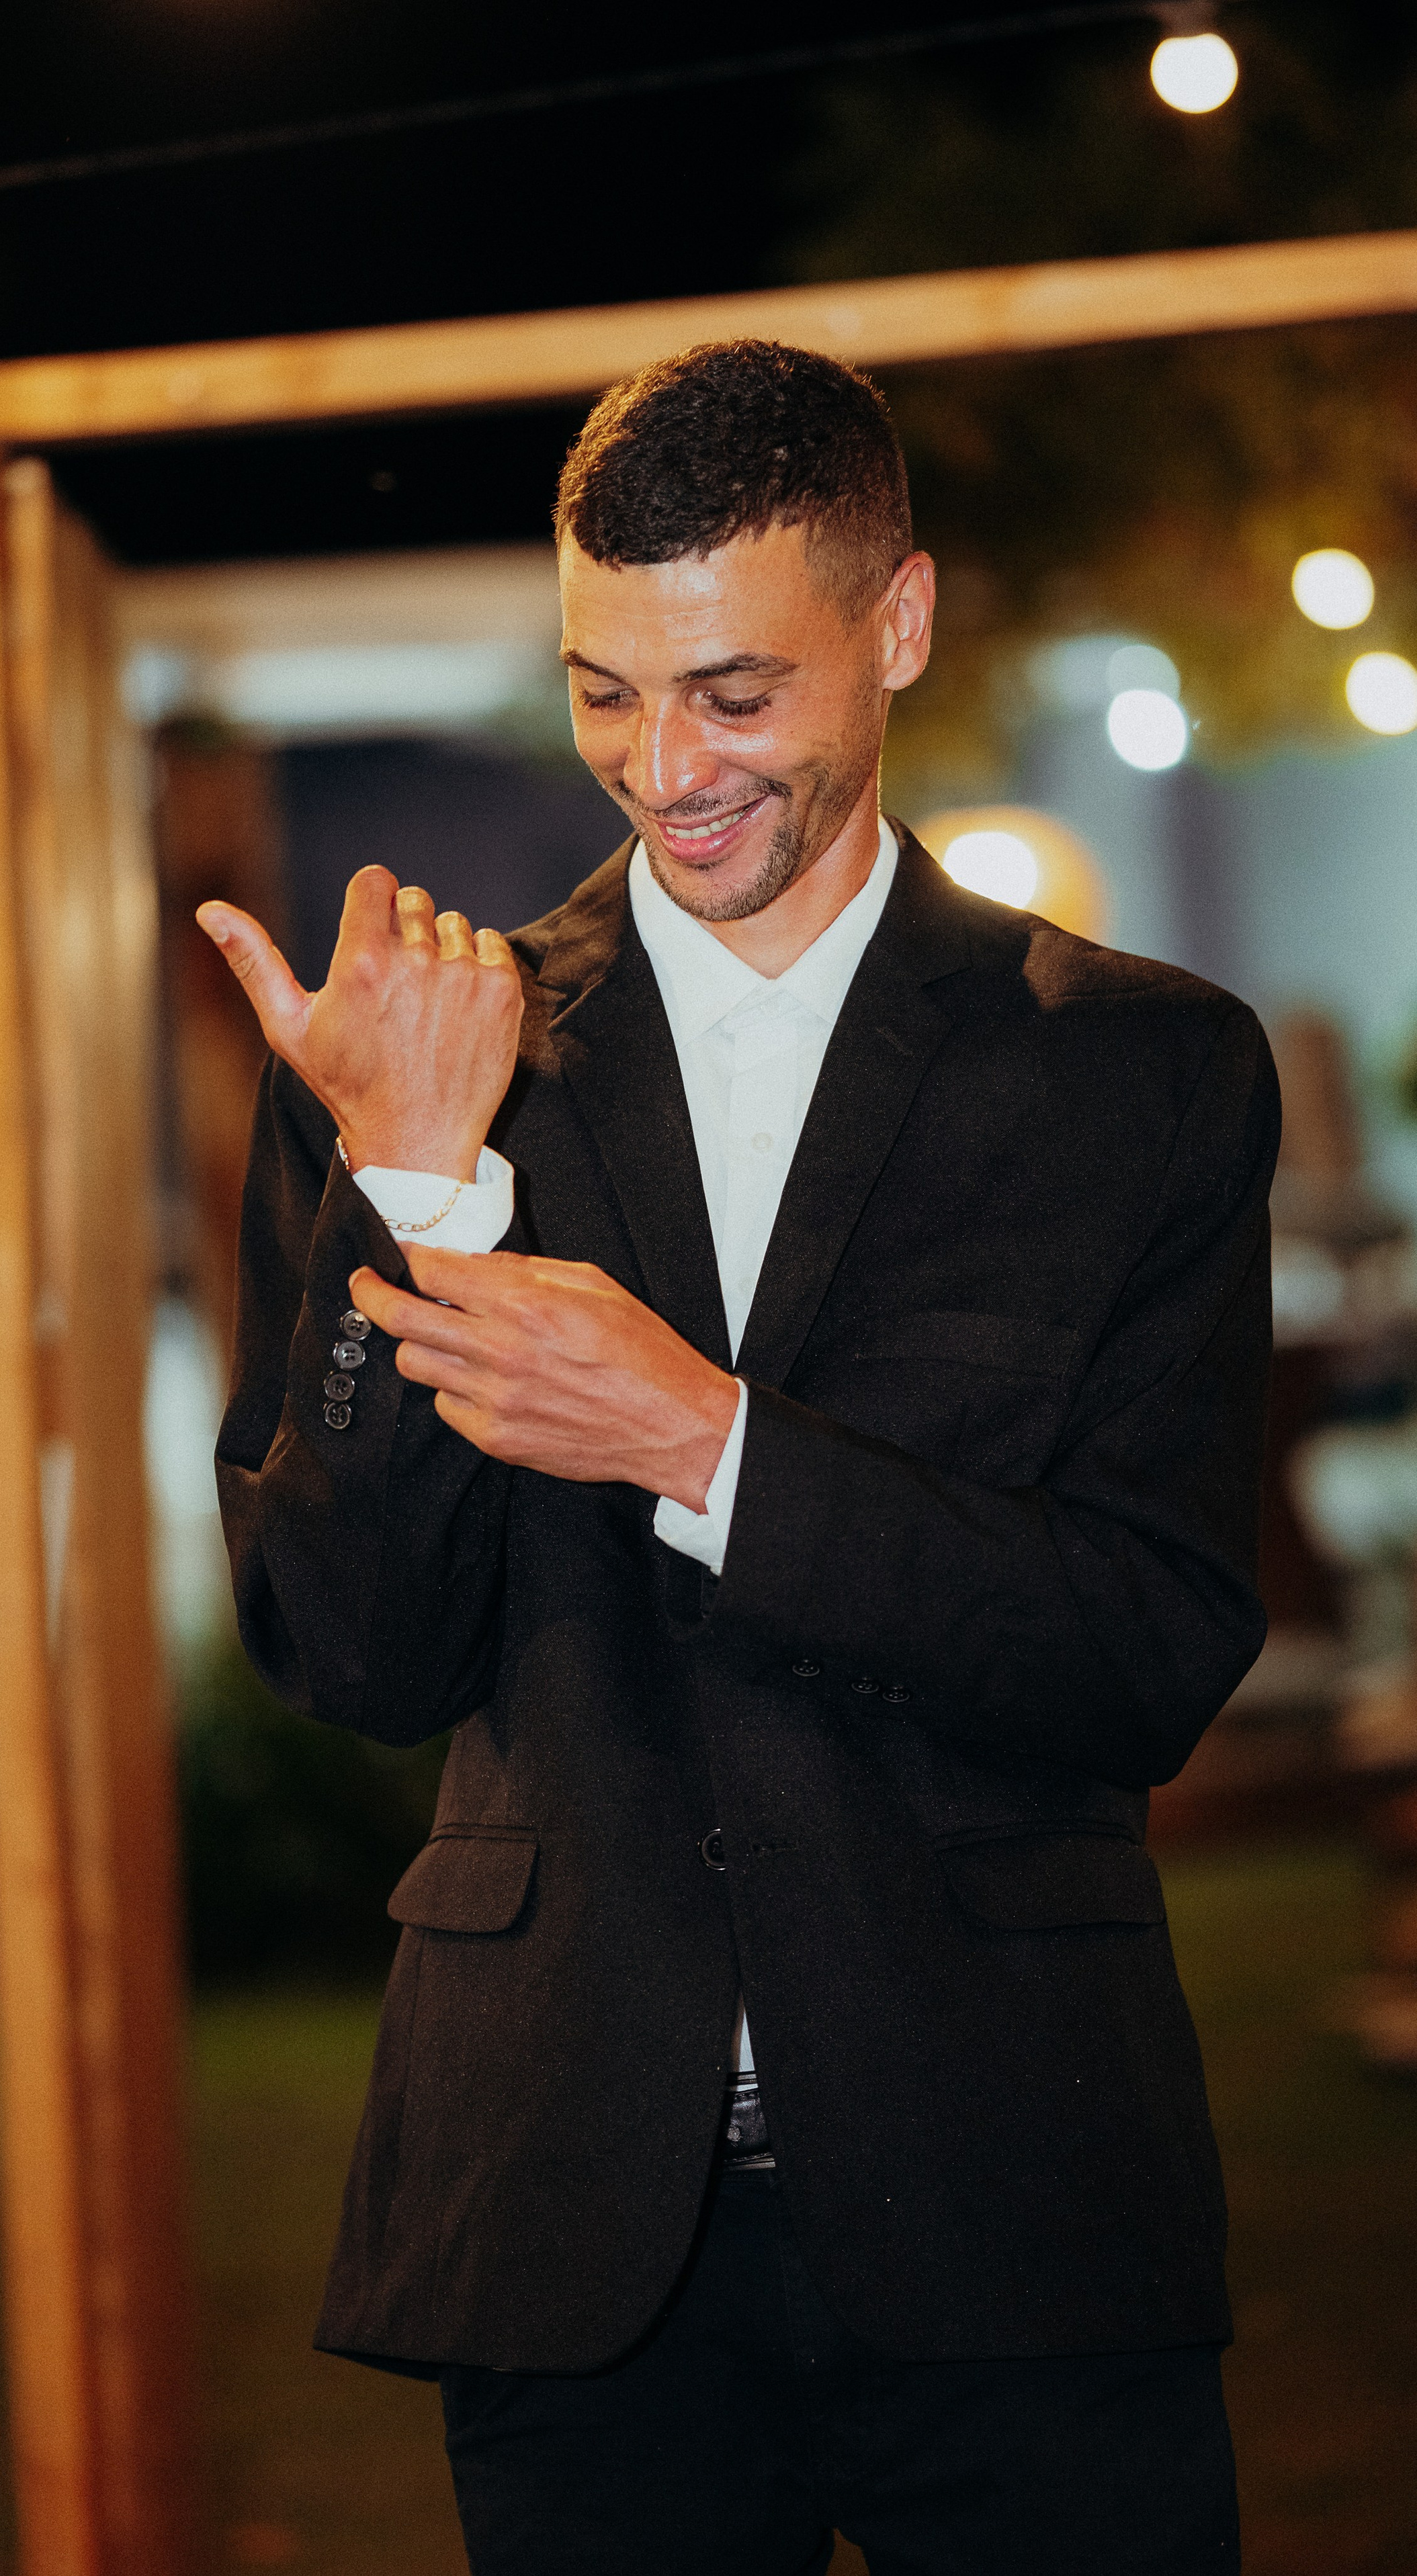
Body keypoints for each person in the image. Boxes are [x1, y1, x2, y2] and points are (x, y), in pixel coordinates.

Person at [201, 339, 1277, 2576]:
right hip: (573, 2232)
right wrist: (408, 1188)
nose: (660, 770)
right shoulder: (428, 1063)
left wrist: (707, 1445)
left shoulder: (1143, 1075)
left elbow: (1149, 1646)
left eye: (732, 695)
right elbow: (351, 1651)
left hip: (1017, 2189)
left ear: (898, 624)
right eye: (604, 692)